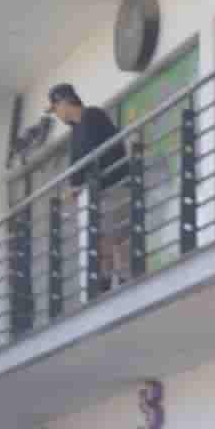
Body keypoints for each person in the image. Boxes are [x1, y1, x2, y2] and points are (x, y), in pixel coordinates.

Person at [48, 83, 131, 293]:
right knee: (103, 238)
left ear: (65, 102)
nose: (56, 114)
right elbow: (78, 165)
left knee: (115, 237)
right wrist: (75, 186)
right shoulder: (76, 131)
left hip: (114, 186)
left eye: (56, 108)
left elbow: (93, 152)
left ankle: (124, 279)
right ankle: (104, 284)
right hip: (99, 193)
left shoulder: (93, 116)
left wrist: (77, 185)